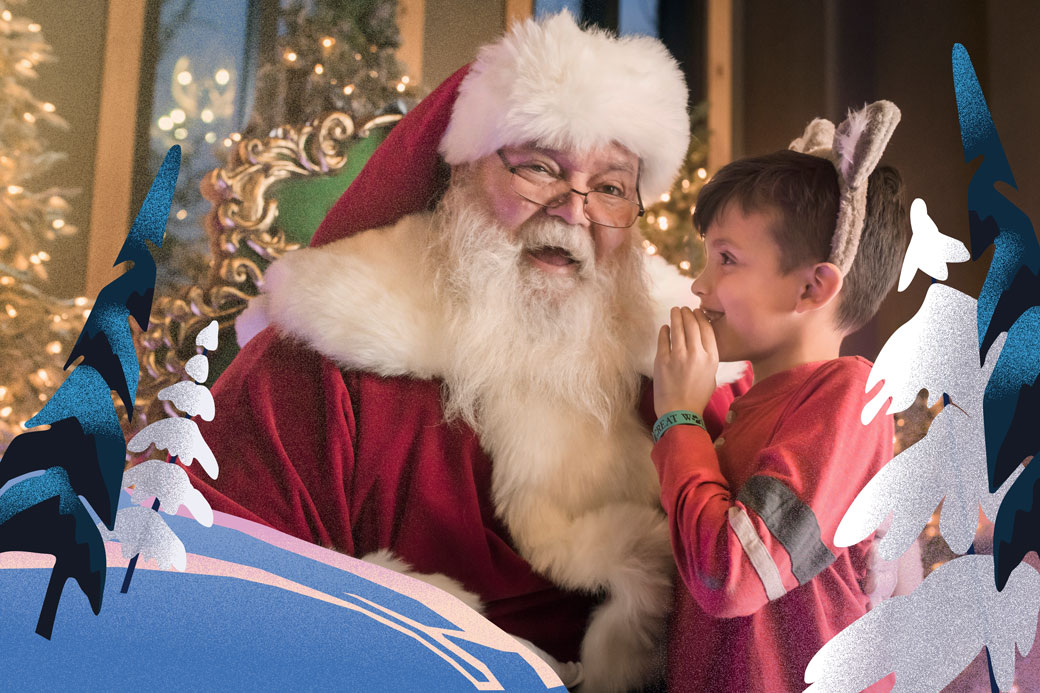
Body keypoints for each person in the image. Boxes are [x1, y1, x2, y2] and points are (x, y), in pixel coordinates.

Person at [192, 11, 749, 691]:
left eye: (609, 187)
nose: (573, 211)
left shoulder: (676, 372)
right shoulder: (323, 367)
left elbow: (765, 584)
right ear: (461, 178)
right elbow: (208, 570)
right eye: (541, 168)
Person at [649, 101, 910, 691]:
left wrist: (679, 419)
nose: (699, 283)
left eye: (727, 260)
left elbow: (732, 573)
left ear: (812, 287)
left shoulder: (848, 399)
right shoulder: (748, 397)